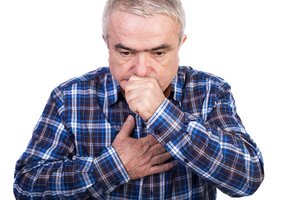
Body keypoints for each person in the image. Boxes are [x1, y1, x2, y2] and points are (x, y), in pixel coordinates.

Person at [13, 0, 264, 199]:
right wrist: (115, 166)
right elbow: (27, 186)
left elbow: (247, 178)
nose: (141, 70)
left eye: (158, 52)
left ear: (180, 44)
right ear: (107, 44)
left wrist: (161, 113)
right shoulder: (69, 98)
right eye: (125, 52)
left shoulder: (210, 91)